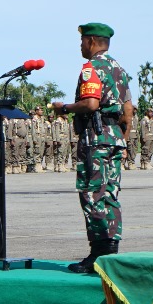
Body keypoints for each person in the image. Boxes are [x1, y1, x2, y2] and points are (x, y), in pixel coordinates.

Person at [51, 22, 132, 274]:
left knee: (92, 194)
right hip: (114, 138)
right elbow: (128, 110)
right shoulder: (119, 69)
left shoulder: (92, 68)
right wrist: (124, 140)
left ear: (91, 41)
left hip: (95, 139)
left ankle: (99, 254)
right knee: (110, 194)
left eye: (82, 41)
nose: (80, 46)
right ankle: (110, 252)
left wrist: (64, 108)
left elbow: (90, 103)